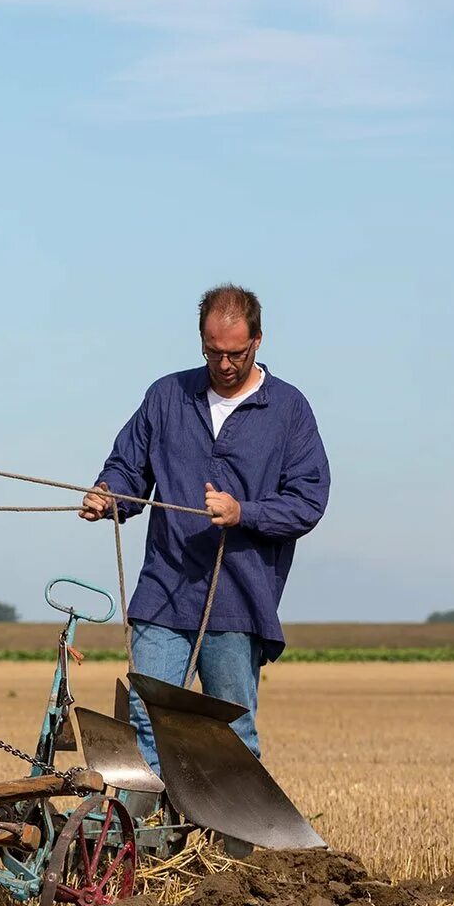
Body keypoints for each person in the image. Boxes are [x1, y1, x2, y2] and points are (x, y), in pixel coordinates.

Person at [79, 285, 330, 773]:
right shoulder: (165, 396)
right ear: (201, 341)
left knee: (231, 734)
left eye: (236, 353)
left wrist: (244, 513)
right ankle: (146, 824)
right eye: (213, 352)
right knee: (145, 721)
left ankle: (234, 827)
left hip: (239, 597)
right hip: (164, 590)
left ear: (258, 340)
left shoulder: (289, 409)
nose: (225, 364)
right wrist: (109, 496)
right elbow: (128, 469)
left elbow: (308, 501)